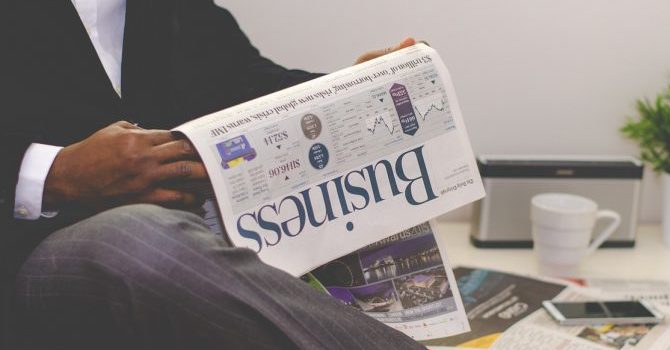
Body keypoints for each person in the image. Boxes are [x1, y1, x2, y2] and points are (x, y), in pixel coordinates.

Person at [0, 1, 424, 348]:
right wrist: (55, 174)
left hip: (188, 242)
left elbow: (248, 86)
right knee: (140, 241)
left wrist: (349, 90)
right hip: (25, 253)